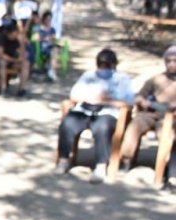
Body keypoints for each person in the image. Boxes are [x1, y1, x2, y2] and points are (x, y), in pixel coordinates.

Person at [55, 48, 134, 183]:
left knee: (102, 128)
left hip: (107, 111)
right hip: (85, 109)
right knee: (68, 123)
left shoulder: (122, 79)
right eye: (101, 66)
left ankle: (101, 166)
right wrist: (91, 98)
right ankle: (63, 159)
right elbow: (74, 95)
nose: (104, 69)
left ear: (114, 65)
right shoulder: (88, 76)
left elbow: (129, 102)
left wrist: (106, 100)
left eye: (107, 66)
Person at [119, 45, 176, 178]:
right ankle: (126, 159)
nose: (171, 64)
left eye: (174, 61)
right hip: (152, 112)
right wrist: (142, 101)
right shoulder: (156, 79)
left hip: (171, 118)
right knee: (134, 125)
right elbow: (139, 95)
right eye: (168, 61)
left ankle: (165, 167)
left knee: (166, 134)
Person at [0, 20, 30, 96]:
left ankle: (21, 89)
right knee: (2, 62)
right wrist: (15, 60)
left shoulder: (17, 39)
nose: (15, 35)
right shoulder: (0, 38)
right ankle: (3, 88)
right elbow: (1, 55)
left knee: (26, 64)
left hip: (14, 61)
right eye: (14, 34)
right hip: (2, 61)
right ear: (8, 33)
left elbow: (22, 52)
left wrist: (20, 56)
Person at [36, 10, 59, 81]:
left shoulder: (52, 29)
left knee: (54, 51)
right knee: (54, 52)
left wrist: (52, 39)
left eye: (50, 19)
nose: (48, 21)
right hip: (43, 46)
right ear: (44, 19)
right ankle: (52, 72)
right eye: (47, 19)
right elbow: (37, 38)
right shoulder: (39, 29)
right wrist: (44, 38)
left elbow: (54, 38)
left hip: (51, 46)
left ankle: (52, 71)